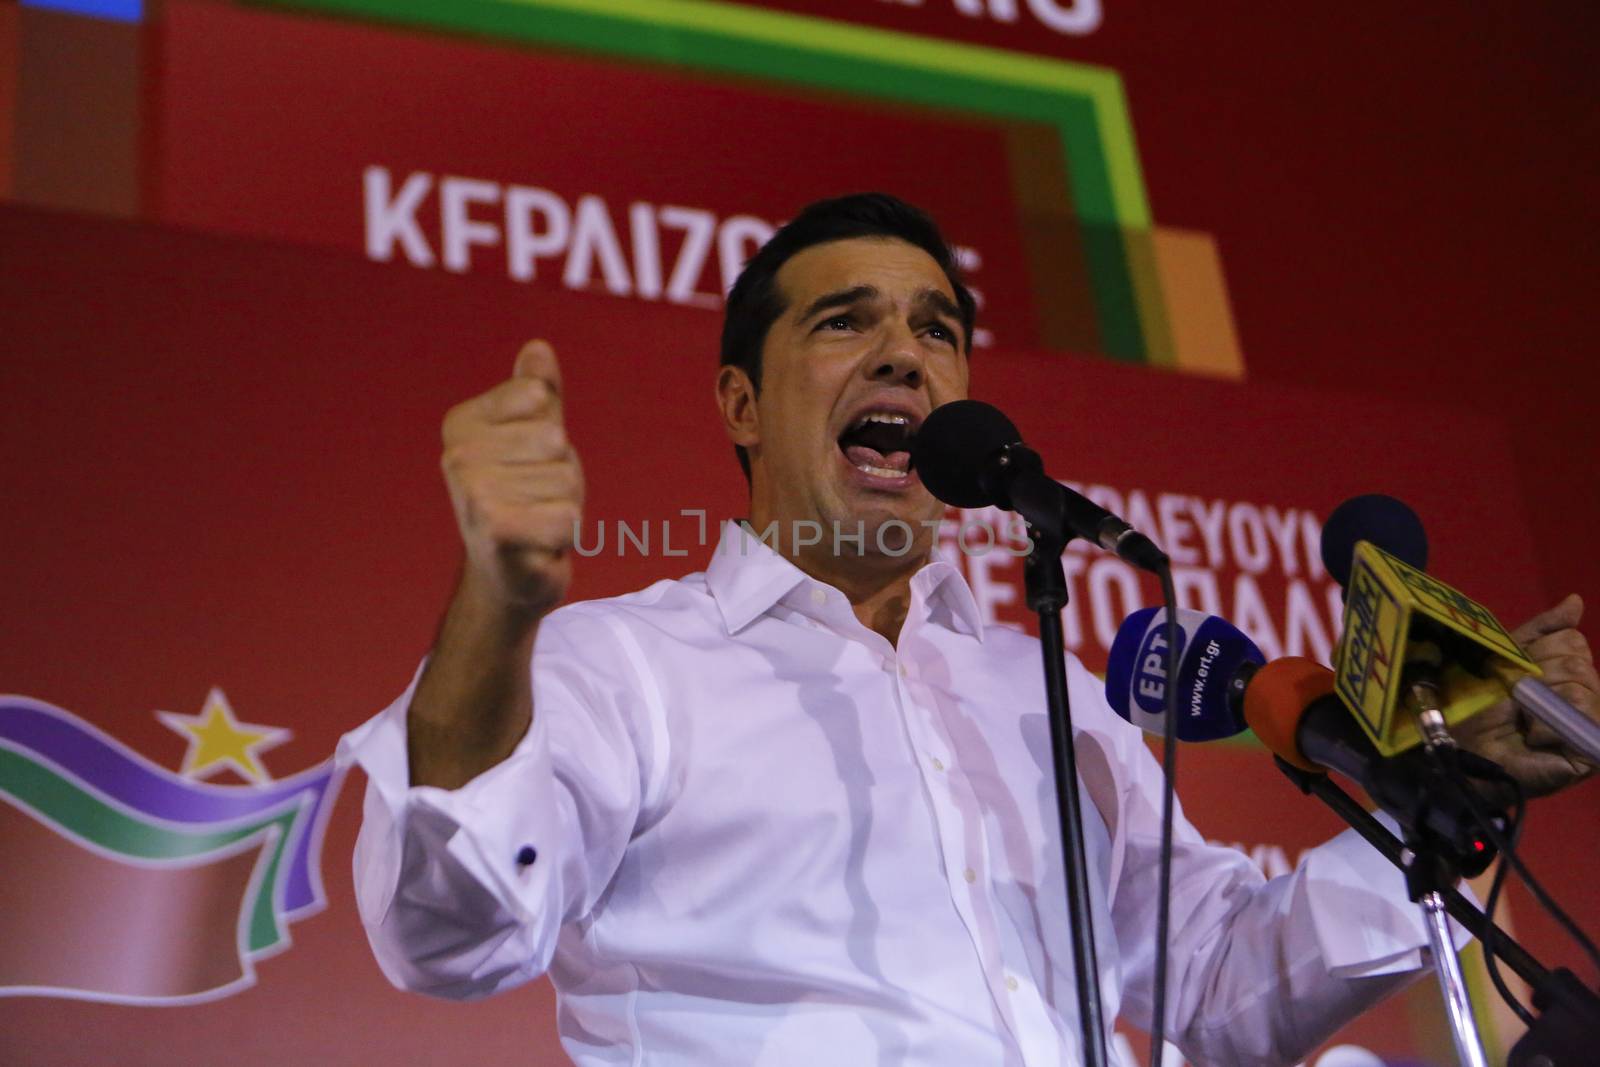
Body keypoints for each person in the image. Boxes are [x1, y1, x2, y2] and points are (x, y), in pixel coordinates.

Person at [341, 193, 1598, 1066]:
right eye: (845, 321)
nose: (904, 353)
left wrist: (1466, 771)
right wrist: (499, 610)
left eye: (936, 329)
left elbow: (1219, 976)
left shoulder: (1043, 691)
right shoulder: (624, 665)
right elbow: (448, 927)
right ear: (740, 400)